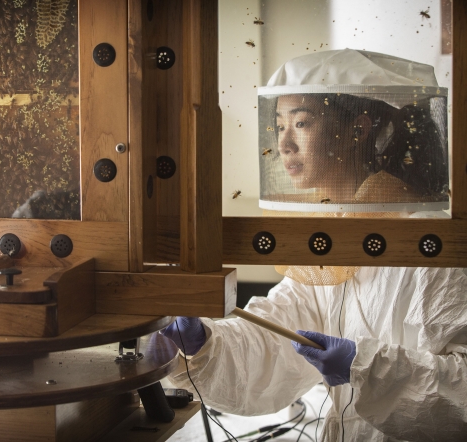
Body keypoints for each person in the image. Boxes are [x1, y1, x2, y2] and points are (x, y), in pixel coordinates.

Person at [159, 50, 467, 441]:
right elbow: (279, 336)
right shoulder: (332, 237)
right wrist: (206, 343)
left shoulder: (430, 245)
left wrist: (365, 369)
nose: (284, 144)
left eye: (301, 122)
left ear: (359, 128)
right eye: (278, 126)